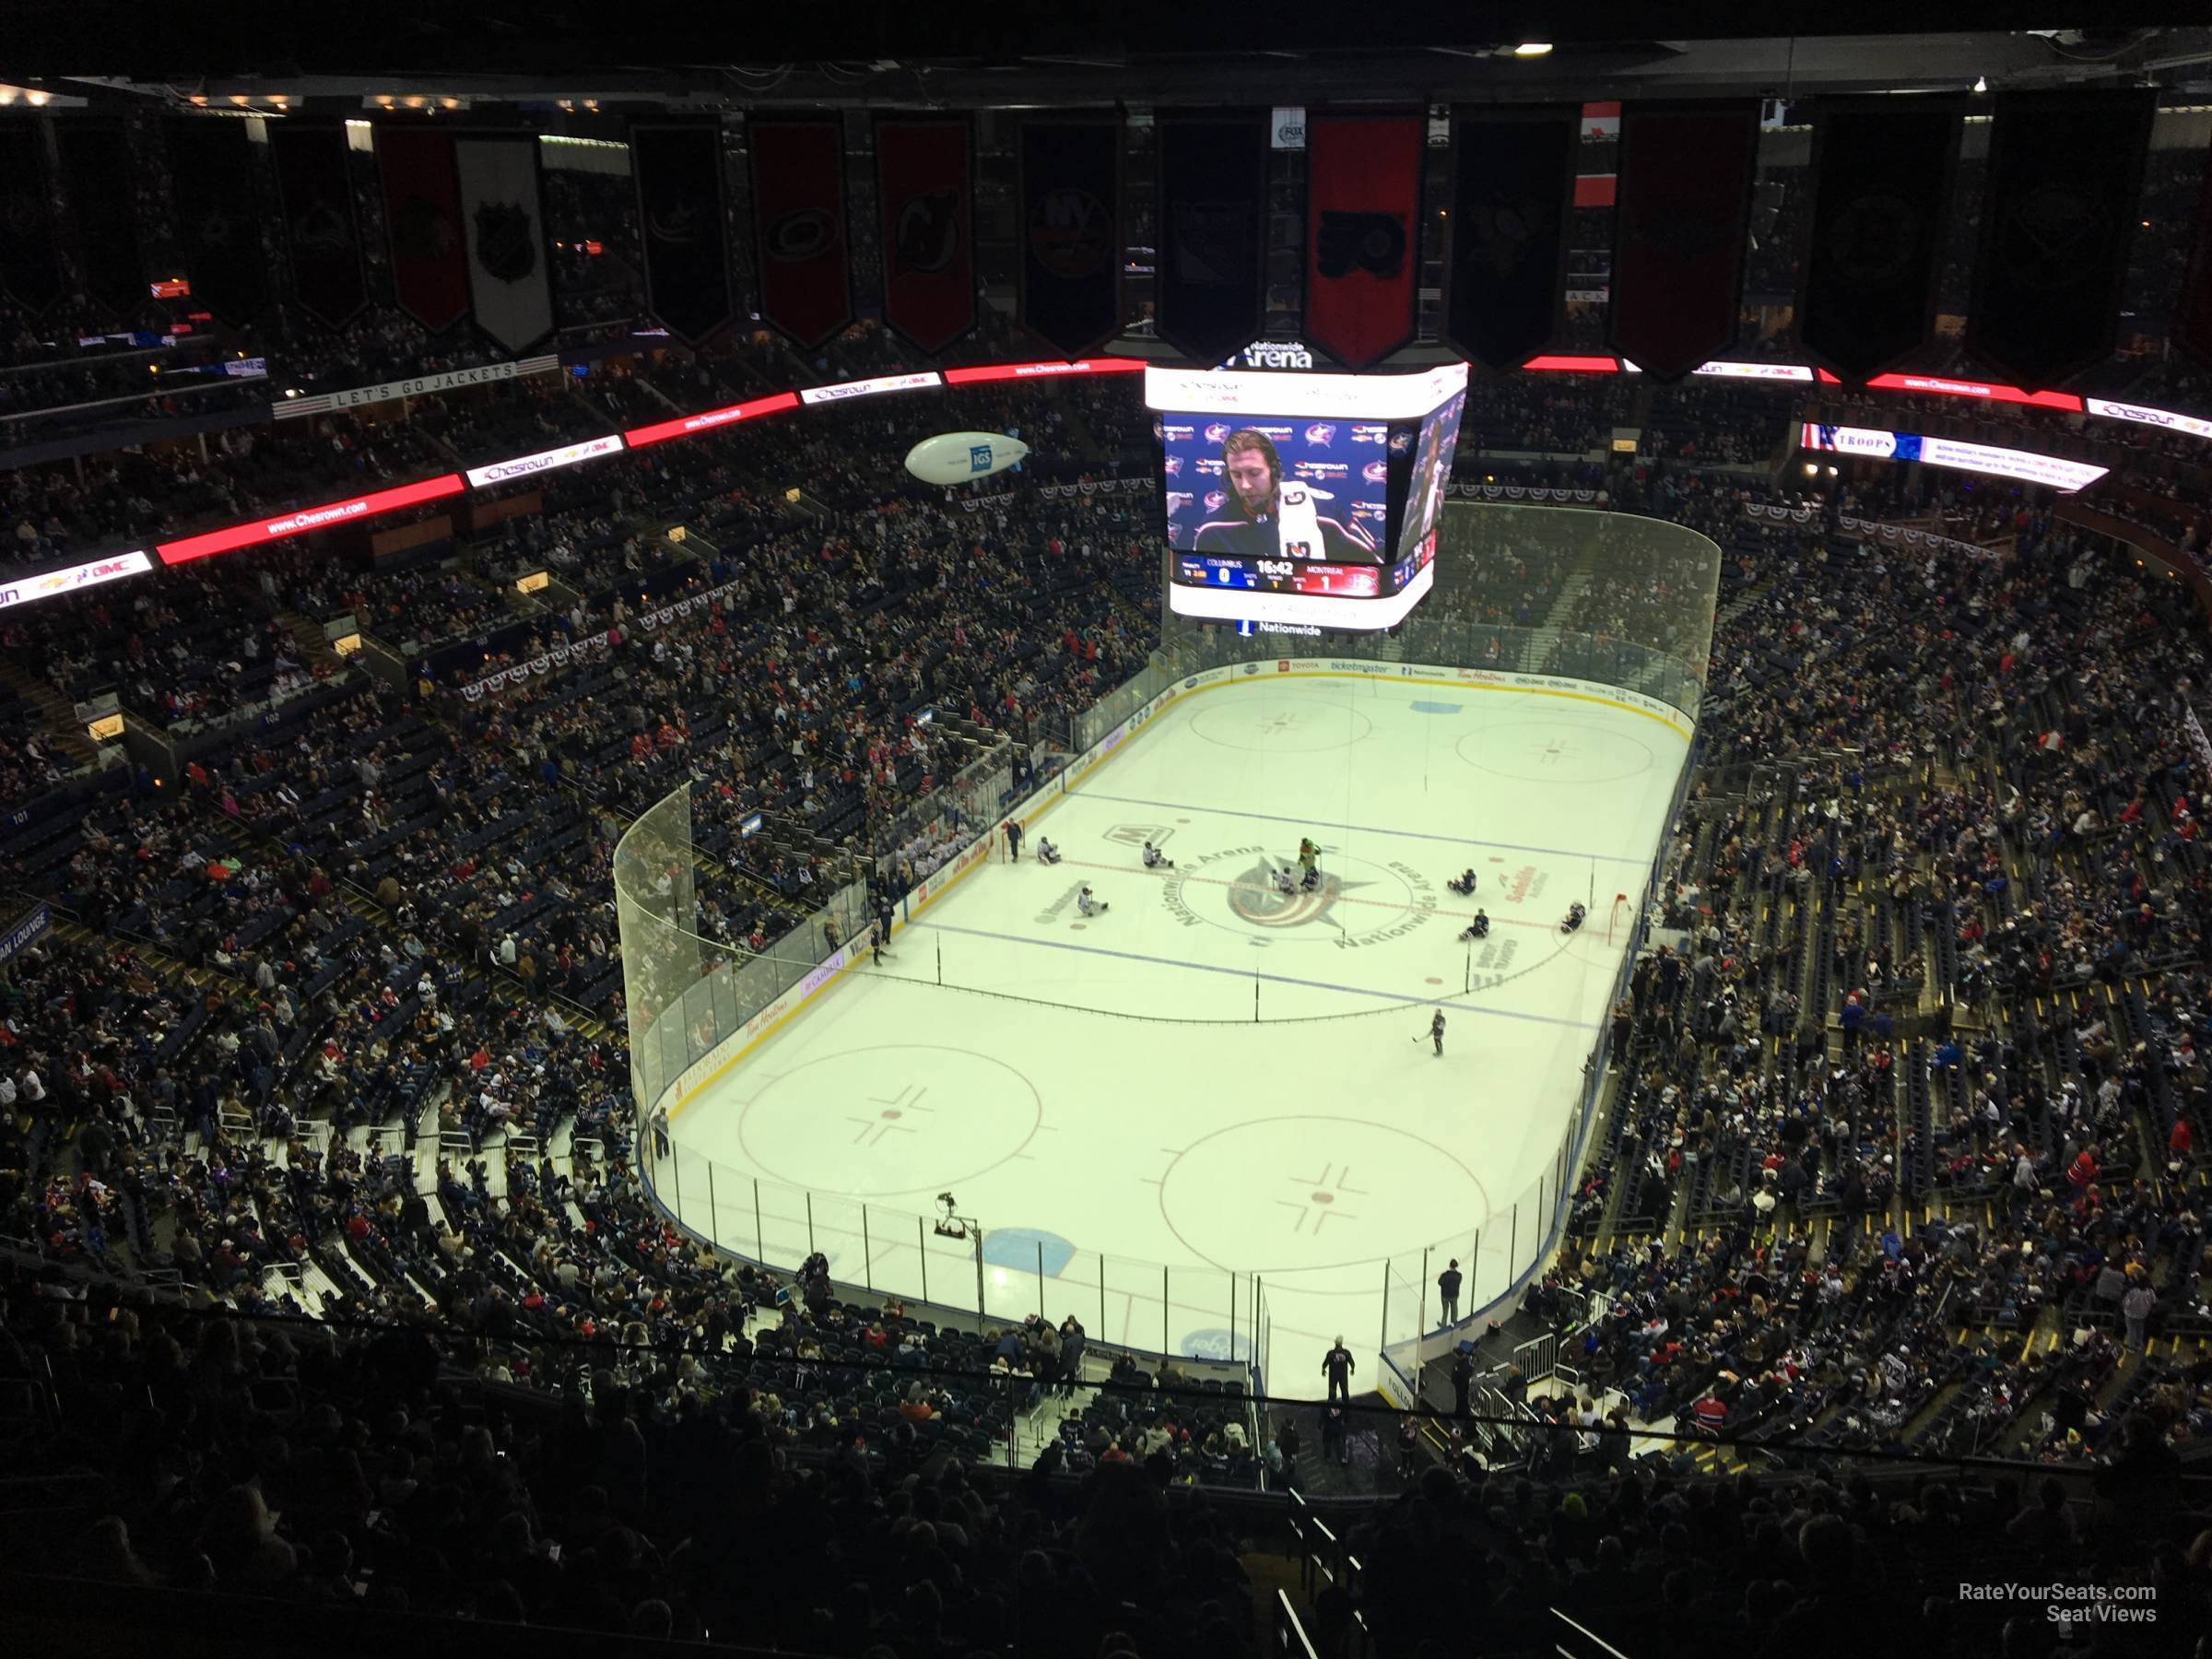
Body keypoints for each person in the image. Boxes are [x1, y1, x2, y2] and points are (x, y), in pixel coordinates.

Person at [1192, 429, 1382, 564]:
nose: (1245, 485)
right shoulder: (1212, 529)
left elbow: (1373, 568)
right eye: (1237, 475)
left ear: (1274, 471)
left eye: (1254, 473)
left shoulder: (1324, 513)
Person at [1323, 1336, 1356, 1402]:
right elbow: (1352, 1363)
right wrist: (1352, 1369)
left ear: (1335, 1343)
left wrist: (1323, 1369)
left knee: (1332, 1390)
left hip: (1333, 1376)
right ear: (1342, 1343)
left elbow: (1326, 1362)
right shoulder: (1346, 1353)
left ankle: (1332, 1405)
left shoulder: (1331, 1353)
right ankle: (1346, 1405)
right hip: (1343, 1375)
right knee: (1344, 1390)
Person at [1437, 1258, 1462, 1325]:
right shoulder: (1459, 1275)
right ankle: (1454, 1322)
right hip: (1454, 1295)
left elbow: (1439, 1282)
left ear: (1450, 1266)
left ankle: (1443, 1324)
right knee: (1454, 1310)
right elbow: (1458, 1282)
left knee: (1445, 1310)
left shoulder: (1445, 1275)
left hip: (1445, 1295)